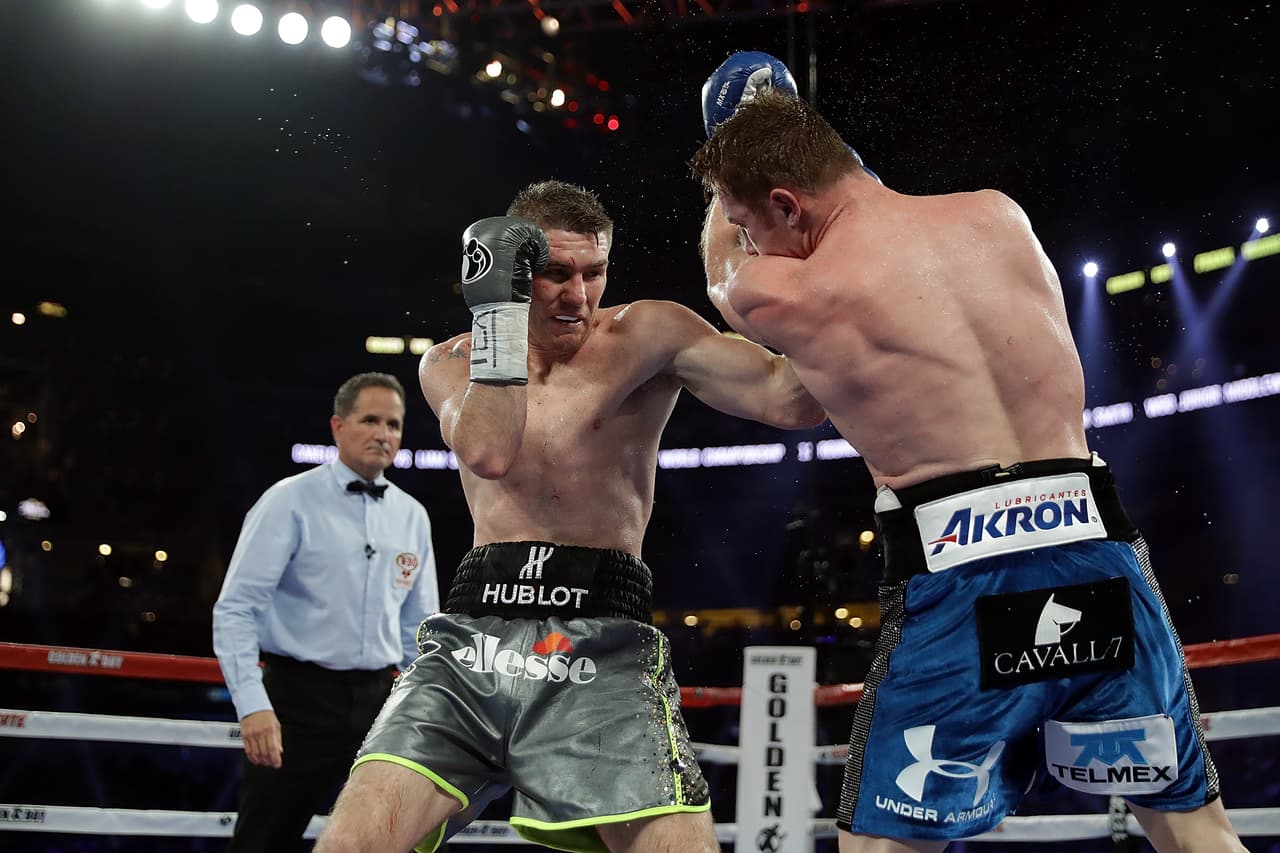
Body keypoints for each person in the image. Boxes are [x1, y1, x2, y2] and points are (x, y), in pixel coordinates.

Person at [690, 53, 1248, 853]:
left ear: (784, 203)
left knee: (879, 844)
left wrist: (724, 163)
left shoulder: (787, 291)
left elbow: (726, 282)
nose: (748, 236)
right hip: (1096, 553)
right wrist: (783, 138)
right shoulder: (998, 215)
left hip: (963, 575)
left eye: (751, 219)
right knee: (1194, 830)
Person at [313, 180, 826, 853]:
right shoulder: (451, 359)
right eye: (555, 273)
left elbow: (791, 400)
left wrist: (816, 260)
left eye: (593, 272)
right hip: (473, 640)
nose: (577, 295)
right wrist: (498, 315)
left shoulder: (649, 332)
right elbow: (492, 449)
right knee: (351, 842)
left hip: (605, 644)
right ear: (514, 273)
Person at [212, 372, 439, 851]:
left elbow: (418, 631)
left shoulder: (412, 515)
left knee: (382, 840)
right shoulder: (288, 500)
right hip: (295, 701)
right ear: (338, 427)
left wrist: (424, 711)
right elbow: (235, 609)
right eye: (370, 420)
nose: (383, 434)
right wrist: (253, 705)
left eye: (394, 425)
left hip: (381, 702)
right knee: (263, 840)